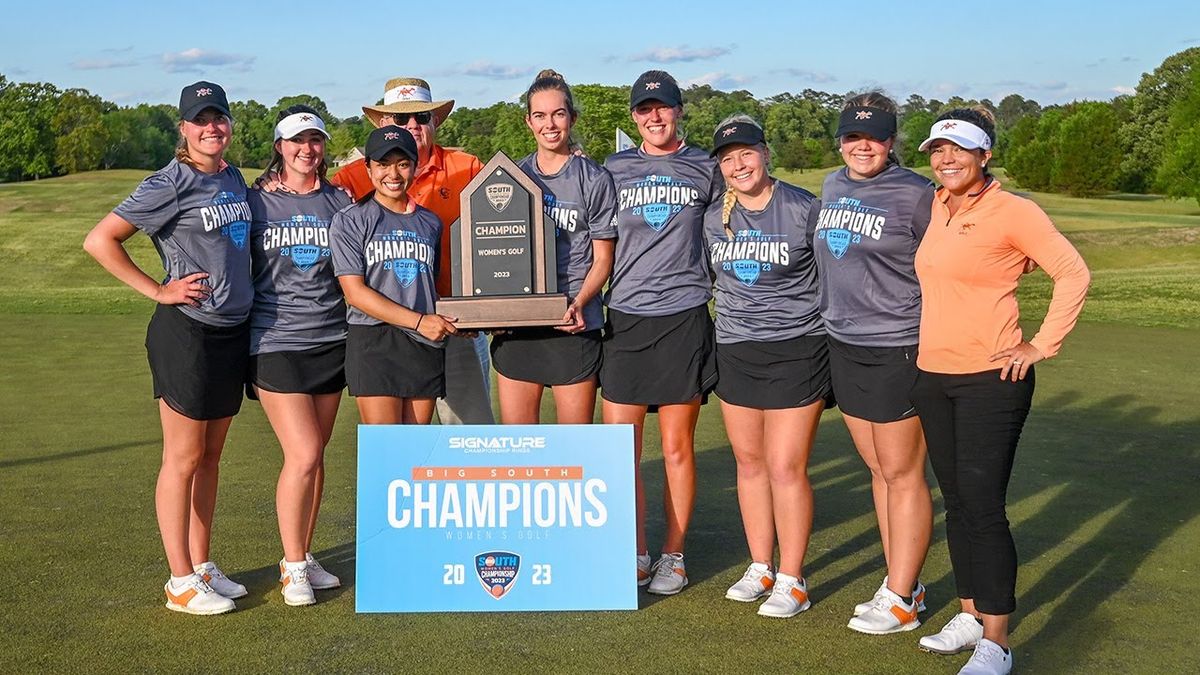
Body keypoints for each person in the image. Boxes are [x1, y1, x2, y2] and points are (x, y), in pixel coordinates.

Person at [909, 108, 1090, 675]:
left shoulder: (1015, 210)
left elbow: (1073, 272)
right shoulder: (938, 205)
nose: (946, 159)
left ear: (985, 155)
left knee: (984, 508)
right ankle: (968, 613)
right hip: (933, 376)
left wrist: (1039, 345)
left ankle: (997, 641)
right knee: (957, 503)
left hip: (993, 379)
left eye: (959, 150)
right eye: (937, 150)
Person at [83, 81, 250, 615]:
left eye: (218, 117)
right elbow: (100, 240)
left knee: (211, 457)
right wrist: (158, 289)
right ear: (183, 128)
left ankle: (201, 566)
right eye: (200, 120)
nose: (211, 128)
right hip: (187, 332)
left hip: (231, 332)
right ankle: (179, 580)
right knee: (181, 458)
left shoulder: (232, 177)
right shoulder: (169, 182)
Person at [812, 92, 936, 635]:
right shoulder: (833, 185)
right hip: (844, 341)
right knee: (879, 470)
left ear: (892, 142)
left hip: (898, 344)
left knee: (904, 473)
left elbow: (962, 253)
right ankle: (898, 582)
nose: (863, 146)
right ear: (840, 141)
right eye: (852, 137)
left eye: (876, 137)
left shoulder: (916, 194)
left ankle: (903, 595)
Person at [602, 70, 722, 595]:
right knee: (620, 449)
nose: (655, 117)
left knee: (676, 447)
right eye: (645, 109)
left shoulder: (707, 167)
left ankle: (673, 555)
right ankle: (634, 549)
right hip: (625, 317)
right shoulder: (613, 169)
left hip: (683, 317)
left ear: (678, 111)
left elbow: (730, 233)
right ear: (634, 116)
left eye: (664, 107)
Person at [703, 116, 827, 618]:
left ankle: (794, 578)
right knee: (750, 464)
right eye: (728, 158)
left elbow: (834, 272)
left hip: (797, 347)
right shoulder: (715, 217)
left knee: (784, 467)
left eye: (746, 153)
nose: (739, 164)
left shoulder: (802, 208)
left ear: (765, 153)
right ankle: (761, 565)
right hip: (735, 346)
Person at [332, 77, 493, 425]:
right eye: (402, 119)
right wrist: (273, 180)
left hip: (456, 322)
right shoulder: (352, 177)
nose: (413, 125)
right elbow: (307, 196)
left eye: (422, 116)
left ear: (435, 121)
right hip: (382, 327)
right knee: (391, 446)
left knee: (469, 433)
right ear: (384, 123)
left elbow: (507, 219)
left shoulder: (467, 166)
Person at [246, 105, 350, 606]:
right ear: (279, 148)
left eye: (315, 141)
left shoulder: (339, 201)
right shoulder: (257, 201)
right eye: (296, 141)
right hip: (275, 340)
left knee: (317, 458)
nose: (306, 149)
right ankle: (291, 567)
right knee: (303, 452)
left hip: (331, 340)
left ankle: (305, 554)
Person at [491, 70, 616, 424]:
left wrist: (578, 303)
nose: (550, 124)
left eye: (558, 114)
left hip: (572, 321)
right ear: (528, 121)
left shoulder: (594, 179)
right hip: (521, 326)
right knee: (518, 447)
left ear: (572, 118)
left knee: (574, 450)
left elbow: (603, 259)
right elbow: (495, 250)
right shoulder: (512, 177)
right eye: (540, 115)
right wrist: (498, 307)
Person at [330, 125, 463, 424]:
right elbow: (354, 293)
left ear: (415, 167)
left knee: (413, 453)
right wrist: (419, 322)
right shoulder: (351, 220)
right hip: (375, 341)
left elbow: (428, 288)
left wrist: (461, 317)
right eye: (383, 164)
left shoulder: (430, 222)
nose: (393, 174)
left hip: (424, 343)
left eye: (403, 164)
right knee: (386, 450)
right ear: (368, 168)